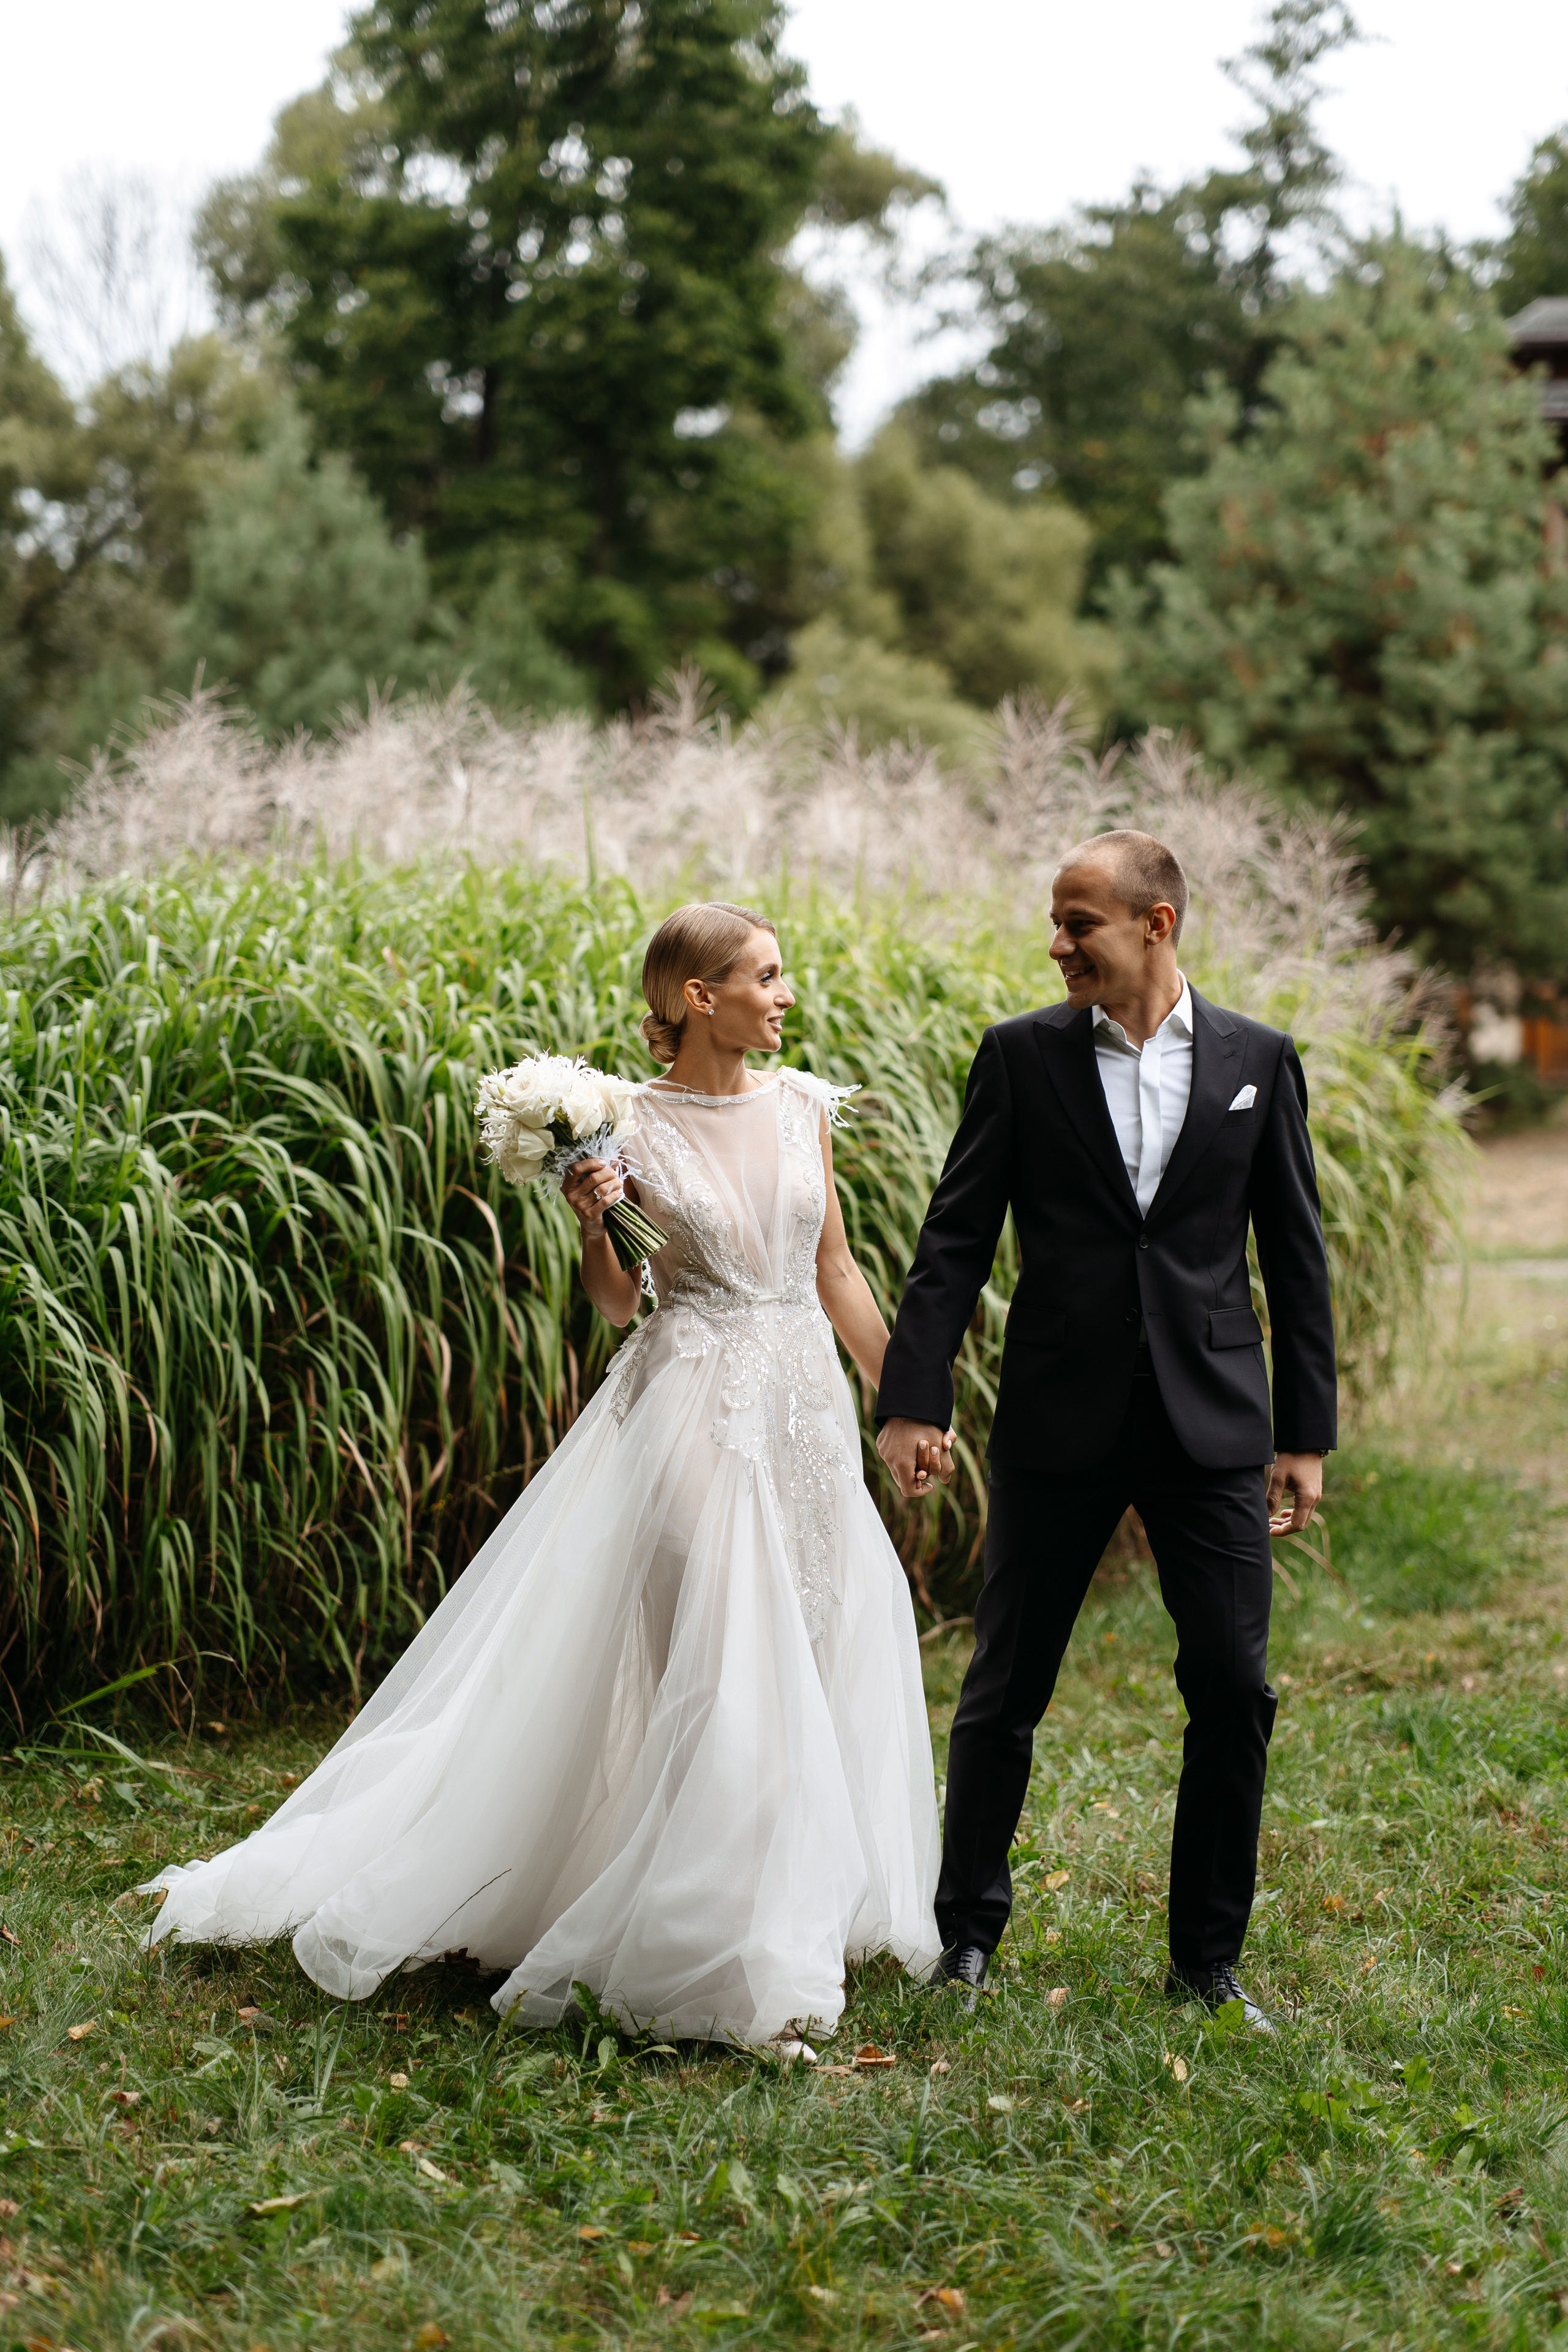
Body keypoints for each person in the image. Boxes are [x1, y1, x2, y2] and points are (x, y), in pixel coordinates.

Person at [141, 903, 941, 2051]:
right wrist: (595, 1223)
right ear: (699, 998)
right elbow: (620, 1305)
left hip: (805, 1407)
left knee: (811, 1635)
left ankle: (778, 1887)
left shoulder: (802, 1107)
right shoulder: (626, 1126)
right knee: (723, 1645)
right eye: (766, 976)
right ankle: (717, 1937)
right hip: (691, 1401)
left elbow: (836, 1267)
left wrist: (903, 1403)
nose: (785, 994)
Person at [875, 833, 1336, 2030]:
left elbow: (1295, 1256)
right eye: (1056, 922)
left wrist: (1305, 1433)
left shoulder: (1257, 1060)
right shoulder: (1019, 1057)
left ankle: (1207, 1965)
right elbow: (954, 1240)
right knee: (1004, 1687)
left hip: (1212, 1425)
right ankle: (964, 1937)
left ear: (1154, 924)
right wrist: (913, 1398)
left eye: (1078, 922)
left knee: (1232, 1688)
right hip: (1056, 1416)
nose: (1057, 944)